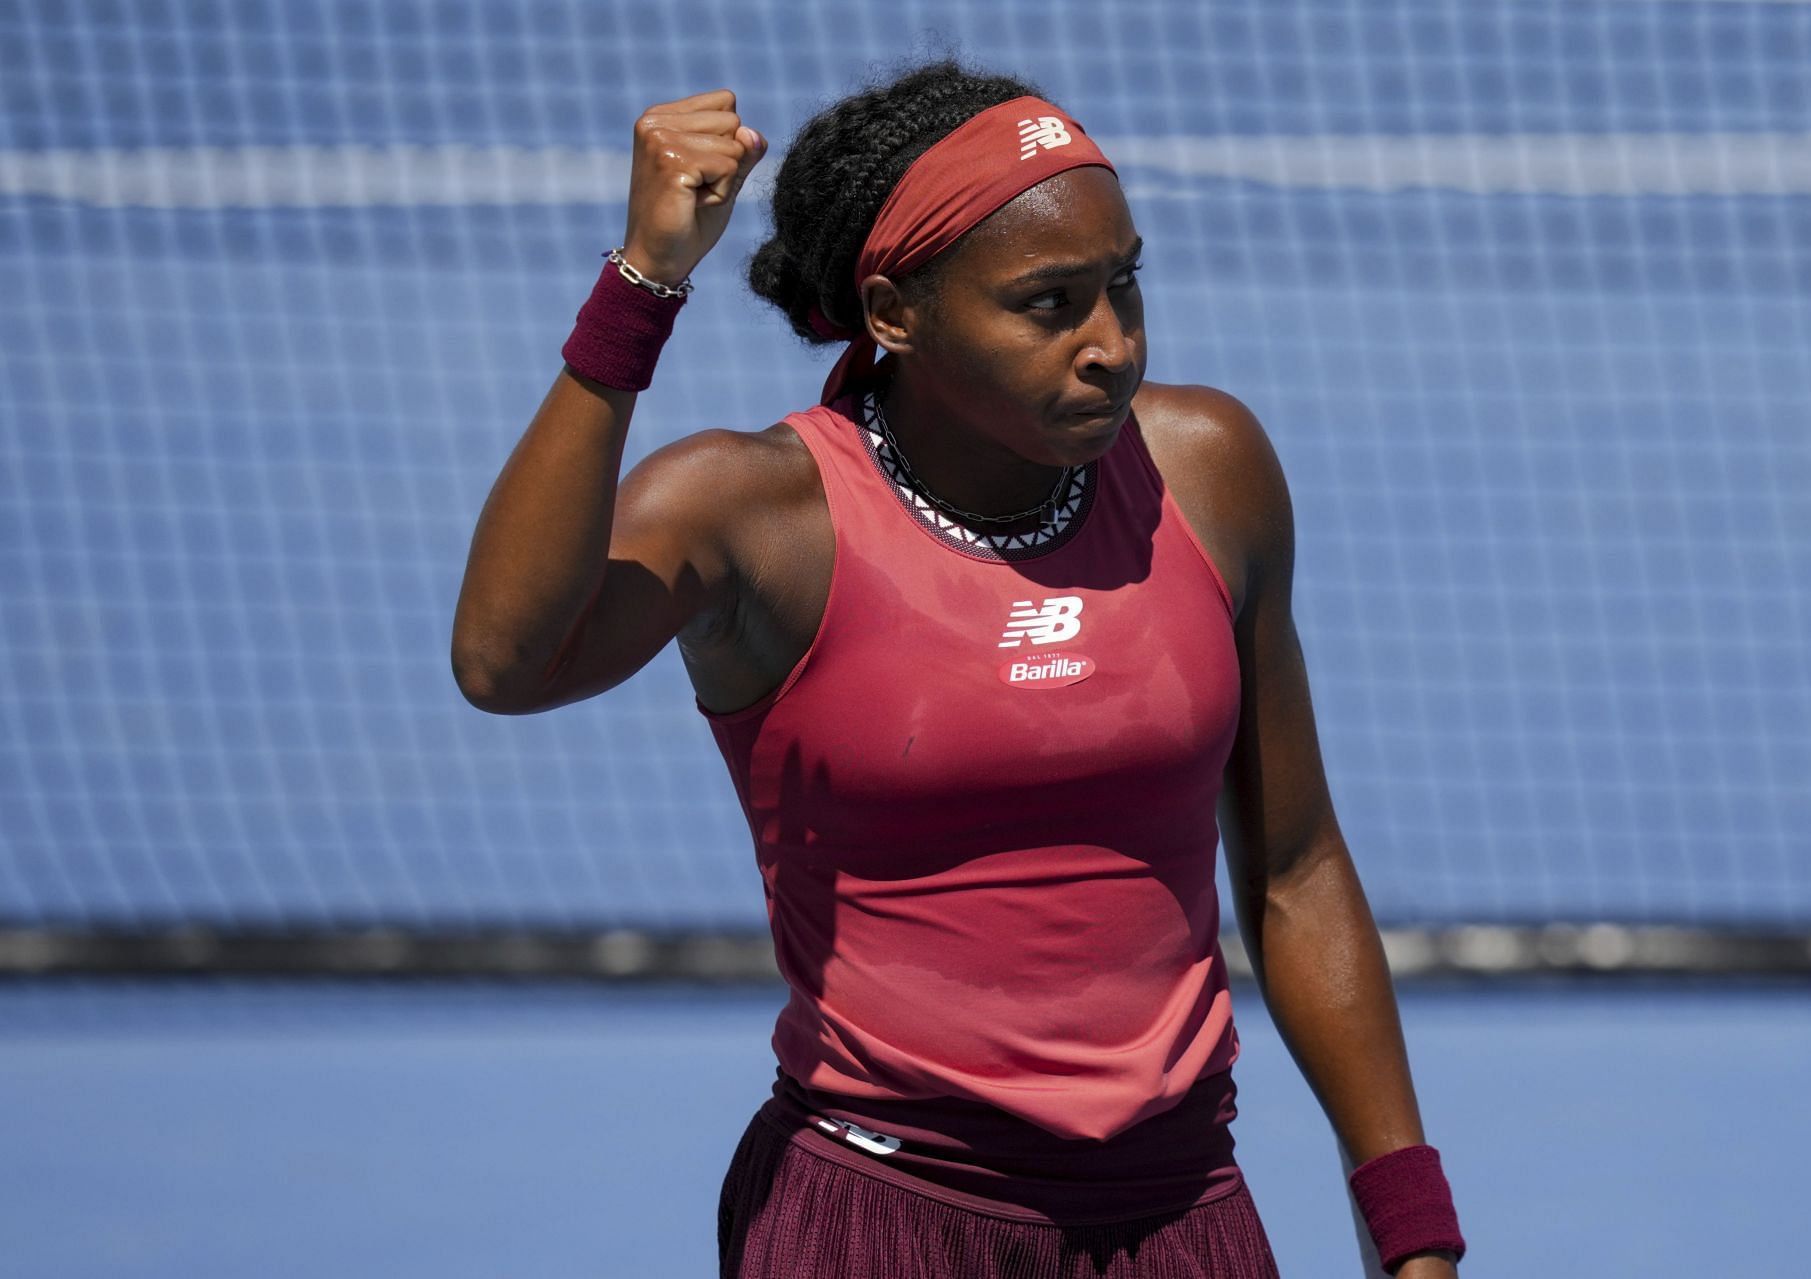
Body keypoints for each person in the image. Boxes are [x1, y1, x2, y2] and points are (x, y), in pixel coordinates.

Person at [451, 59, 1466, 1279]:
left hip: (1184, 1213)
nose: (1112, 346)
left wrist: (1409, 1223)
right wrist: (643, 286)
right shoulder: (754, 512)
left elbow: (1296, 867)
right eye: (1050, 305)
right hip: (877, 1217)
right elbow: (507, 661)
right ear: (894, 311)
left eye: (1124, 286)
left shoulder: (1209, 470)